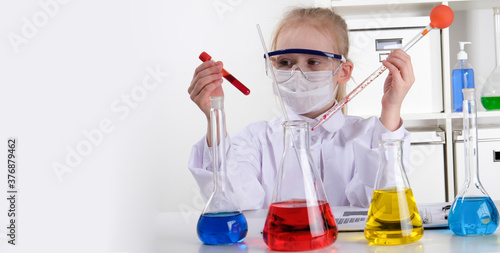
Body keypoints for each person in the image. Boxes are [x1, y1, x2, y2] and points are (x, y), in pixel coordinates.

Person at [187, 7, 414, 210]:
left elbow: (382, 202)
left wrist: (391, 107)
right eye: (285, 62)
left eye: (313, 62)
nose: (296, 73)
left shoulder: (367, 135)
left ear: (343, 71)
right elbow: (233, 201)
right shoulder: (256, 138)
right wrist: (214, 113)